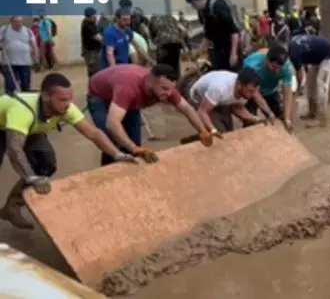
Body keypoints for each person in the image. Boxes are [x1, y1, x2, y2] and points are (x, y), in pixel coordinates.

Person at [0, 73, 135, 229]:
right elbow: (14, 148)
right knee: (27, 170)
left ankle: (12, 207)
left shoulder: (66, 109)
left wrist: (117, 154)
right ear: (45, 97)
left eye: (69, 99)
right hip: (6, 124)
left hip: (29, 128)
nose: (68, 104)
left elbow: (93, 133)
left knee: (46, 164)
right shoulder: (22, 111)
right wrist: (32, 178)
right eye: (62, 100)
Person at [87, 64, 211, 166]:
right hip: (99, 96)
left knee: (135, 143)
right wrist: (133, 147)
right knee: (111, 140)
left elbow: (187, 108)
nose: (168, 93)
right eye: (164, 89)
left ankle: (131, 176)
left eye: (170, 89)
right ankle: (108, 175)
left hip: (128, 99)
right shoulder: (129, 88)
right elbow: (112, 123)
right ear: (151, 82)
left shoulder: (166, 88)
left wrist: (202, 131)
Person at [189, 67, 264, 134]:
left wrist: (255, 118)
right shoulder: (220, 88)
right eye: (250, 91)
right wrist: (213, 130)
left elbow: (237, 107)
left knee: (228, 130)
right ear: (239, 85)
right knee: (220, 133)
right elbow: (202, 111)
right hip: (199, 98)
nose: (253, 95)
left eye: (254, 91)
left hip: (218, 100)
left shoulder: (244, 90)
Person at [184, 0, 241, 71]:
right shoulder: (202, 12)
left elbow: (234, 31)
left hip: (232, 46)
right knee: (218, 73)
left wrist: (233, 53)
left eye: (194, 4)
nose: (193, 7)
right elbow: (208, 34)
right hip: (218, 48)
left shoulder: (218, 7)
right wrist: (199, 52)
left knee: (232, 76)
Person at [290, 35, 330, 125]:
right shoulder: (293, 43)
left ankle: (322, 119)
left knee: (321, 84)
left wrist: (298, 88)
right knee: (310, 83)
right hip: (318, 58)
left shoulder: (294, 54)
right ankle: (312, 112)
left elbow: (299, 74)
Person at [242, 45, 295, 132]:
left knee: (281, 120)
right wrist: (269, 112)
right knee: (249, 122)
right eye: (274, 67)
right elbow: (255, 93)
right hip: (251, 91)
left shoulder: (287, 68)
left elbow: (287, 93)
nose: (276, 71)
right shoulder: (251, 64)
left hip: (271, 90)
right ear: (266, 59)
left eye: (279, 68)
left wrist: (287, 118)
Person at [0, 16, 39, 93]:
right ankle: (10, 100)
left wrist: (36, 60)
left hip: (25, 63)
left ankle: (24, 99)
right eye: (16, 22)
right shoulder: (4, 30)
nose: (19, 24)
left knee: (25, 85)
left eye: (20, 22)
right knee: (10, 84)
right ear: (11, 22)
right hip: (9, 63)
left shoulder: (28, 31)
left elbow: (34, 45)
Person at [81, 7, 102, 77]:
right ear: (89, 16)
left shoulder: (89, 23)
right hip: (91, 53)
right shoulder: (88, 25)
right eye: (94, 15)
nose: (96, 17)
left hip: (91, 51)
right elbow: (99, 38)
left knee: (93, 71)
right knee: (95, 72)